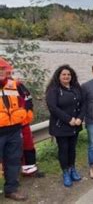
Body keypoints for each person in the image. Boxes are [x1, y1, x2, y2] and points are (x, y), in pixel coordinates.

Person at [46, 65, 85, 187]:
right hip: (61, 126)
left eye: (69, 74)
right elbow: (53, 107)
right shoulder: (53, 89)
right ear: (58, 76)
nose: (66, 76)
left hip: (75, 125)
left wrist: (80, 118)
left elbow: (83, 104)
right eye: (64, 74)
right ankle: (66, 173)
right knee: (63, 149)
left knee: (72, 149)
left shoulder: (76, 87)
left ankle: (72, 169)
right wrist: (68, 119)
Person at [0, 58, 28, 201]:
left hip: (14, 131)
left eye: (3, 69)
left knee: (13, 161)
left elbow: (26, 102)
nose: (1, 72)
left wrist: (24, 115)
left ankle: (11, 189)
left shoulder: (15, 85)